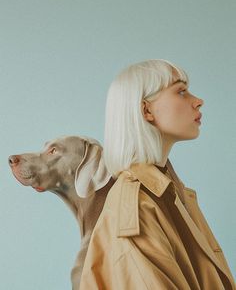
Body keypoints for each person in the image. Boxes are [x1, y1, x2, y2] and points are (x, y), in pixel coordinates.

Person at [79, 59, 235, 289]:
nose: (198, 101)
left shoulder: (166, 192)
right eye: (181, 91)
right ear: (146, 110)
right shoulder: (135, 210)